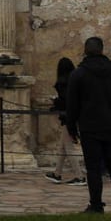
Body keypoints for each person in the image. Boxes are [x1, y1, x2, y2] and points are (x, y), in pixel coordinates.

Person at [65, 36, 111, 214]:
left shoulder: (79, 74)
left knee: (93, 168)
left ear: (85, 51)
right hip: (110, 125)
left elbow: (72, 104)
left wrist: (72, 127)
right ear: (102, 50)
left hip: (89, 127)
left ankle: (96, 204)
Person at [43, 57, 86, 186]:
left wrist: (55, 102)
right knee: (63, 146)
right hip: (76, 115)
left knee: (69, 148)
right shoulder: (75, 80)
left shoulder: (63, 82)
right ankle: (57, 173)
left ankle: (79, 176)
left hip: (69, 117)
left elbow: (67, 101)